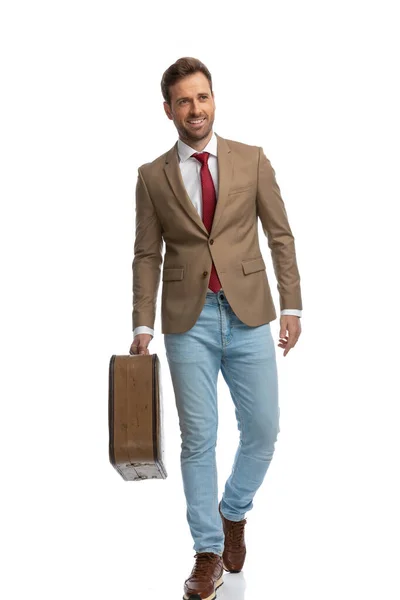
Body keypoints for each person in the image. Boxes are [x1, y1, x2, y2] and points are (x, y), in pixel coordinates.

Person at [129, 56, 302, 600]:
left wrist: (292, 306)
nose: (194, 108)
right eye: (183, 100)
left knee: (264, 430)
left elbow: (280, 236)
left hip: (249, 312)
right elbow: (146, 254)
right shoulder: (152, 176)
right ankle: (207, 552)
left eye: (201, 97)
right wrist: (141, 323)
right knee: (198, 441)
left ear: (213, 100)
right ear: (168, 110)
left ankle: (233, 511)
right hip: (187, 320)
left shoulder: (251, 161)